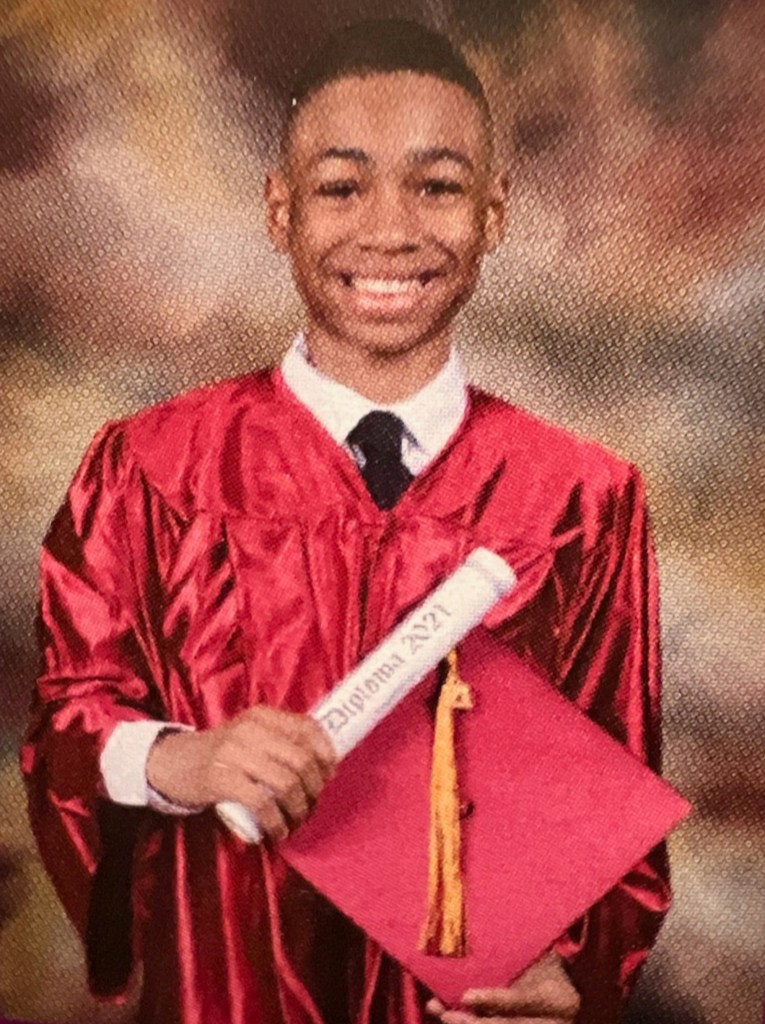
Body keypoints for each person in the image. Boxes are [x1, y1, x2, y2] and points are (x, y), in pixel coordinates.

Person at [21, 18, 670, 1024]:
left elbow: (615, 811)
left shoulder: (580, 500)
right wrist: (176, 758)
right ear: (279, 210)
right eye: (340, 185)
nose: (390, 229)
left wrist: (571, 978)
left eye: (438, 185)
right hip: (223, 995)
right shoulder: (150, 470)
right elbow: (65, 729)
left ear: (495, 213)